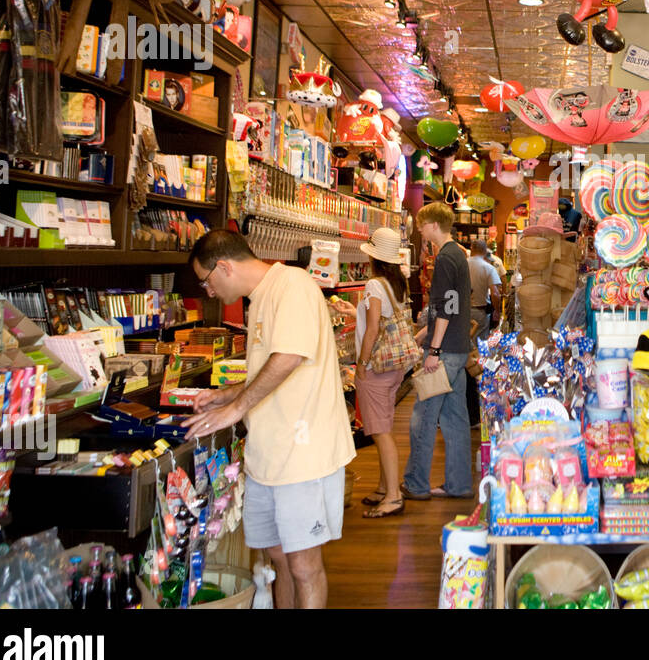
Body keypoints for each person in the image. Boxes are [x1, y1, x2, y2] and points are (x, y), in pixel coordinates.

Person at [184, 230, 354, 609]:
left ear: (224, 267)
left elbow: (290, 356)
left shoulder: (292, 285)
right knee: (279, 558)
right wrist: (226, 395)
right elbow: (271, 367)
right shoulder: (260, 297)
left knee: (304, 566)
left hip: (303, 453)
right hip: (270, 454)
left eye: (206, 281)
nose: (208, 291)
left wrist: (236, 408)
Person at [402, 202, 474, 501]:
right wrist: (428, 333)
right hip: (457, 347)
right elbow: (455, 304)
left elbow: (445, 307)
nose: (419, 230)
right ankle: (459, 484)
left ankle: (416, 483)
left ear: (433, 224)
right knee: (455, 419)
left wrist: (434, 348)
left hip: (444, 352)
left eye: (421, 225)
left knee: (424, 416)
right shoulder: (458, 254)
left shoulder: (445, 257)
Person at [355, 227, 412, 519]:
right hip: (396, 365)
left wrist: (361, 365)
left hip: (377, 367)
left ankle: (392, 496)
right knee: (384, 428)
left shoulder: (375, 285)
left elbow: (373, 328)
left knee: (380, 432)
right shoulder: (397, 283)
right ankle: (383, 486)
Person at [467, 240, 502, 341]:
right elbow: (495, 293)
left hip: (462, 311)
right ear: (484, 251)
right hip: (480, 312)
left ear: (471, 249)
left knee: (464, 343)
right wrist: (497, 310)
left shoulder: (461, 265)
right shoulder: (488, 268)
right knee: (479, 345)